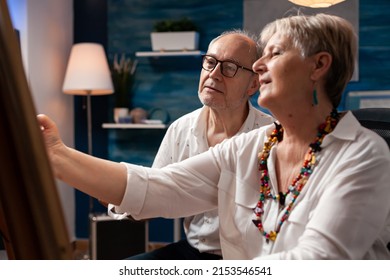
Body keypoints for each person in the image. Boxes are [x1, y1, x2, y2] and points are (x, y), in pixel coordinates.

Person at [38, 13, 390, 259]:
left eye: (276, 54)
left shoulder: (363, 153)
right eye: (260, 57)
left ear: (319, 65)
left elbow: (317, 261)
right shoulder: (251, 147)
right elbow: (160, 187)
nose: (261, 66)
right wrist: (57, 154)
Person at [111, 30, 274, 260]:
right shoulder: (180, 129)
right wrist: (118, 195)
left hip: (252, 258)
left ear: (253, 85)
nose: (214, 74)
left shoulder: (273, 135)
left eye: (229, 68)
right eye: (210, 62)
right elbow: (154, 196)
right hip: (194, 250)